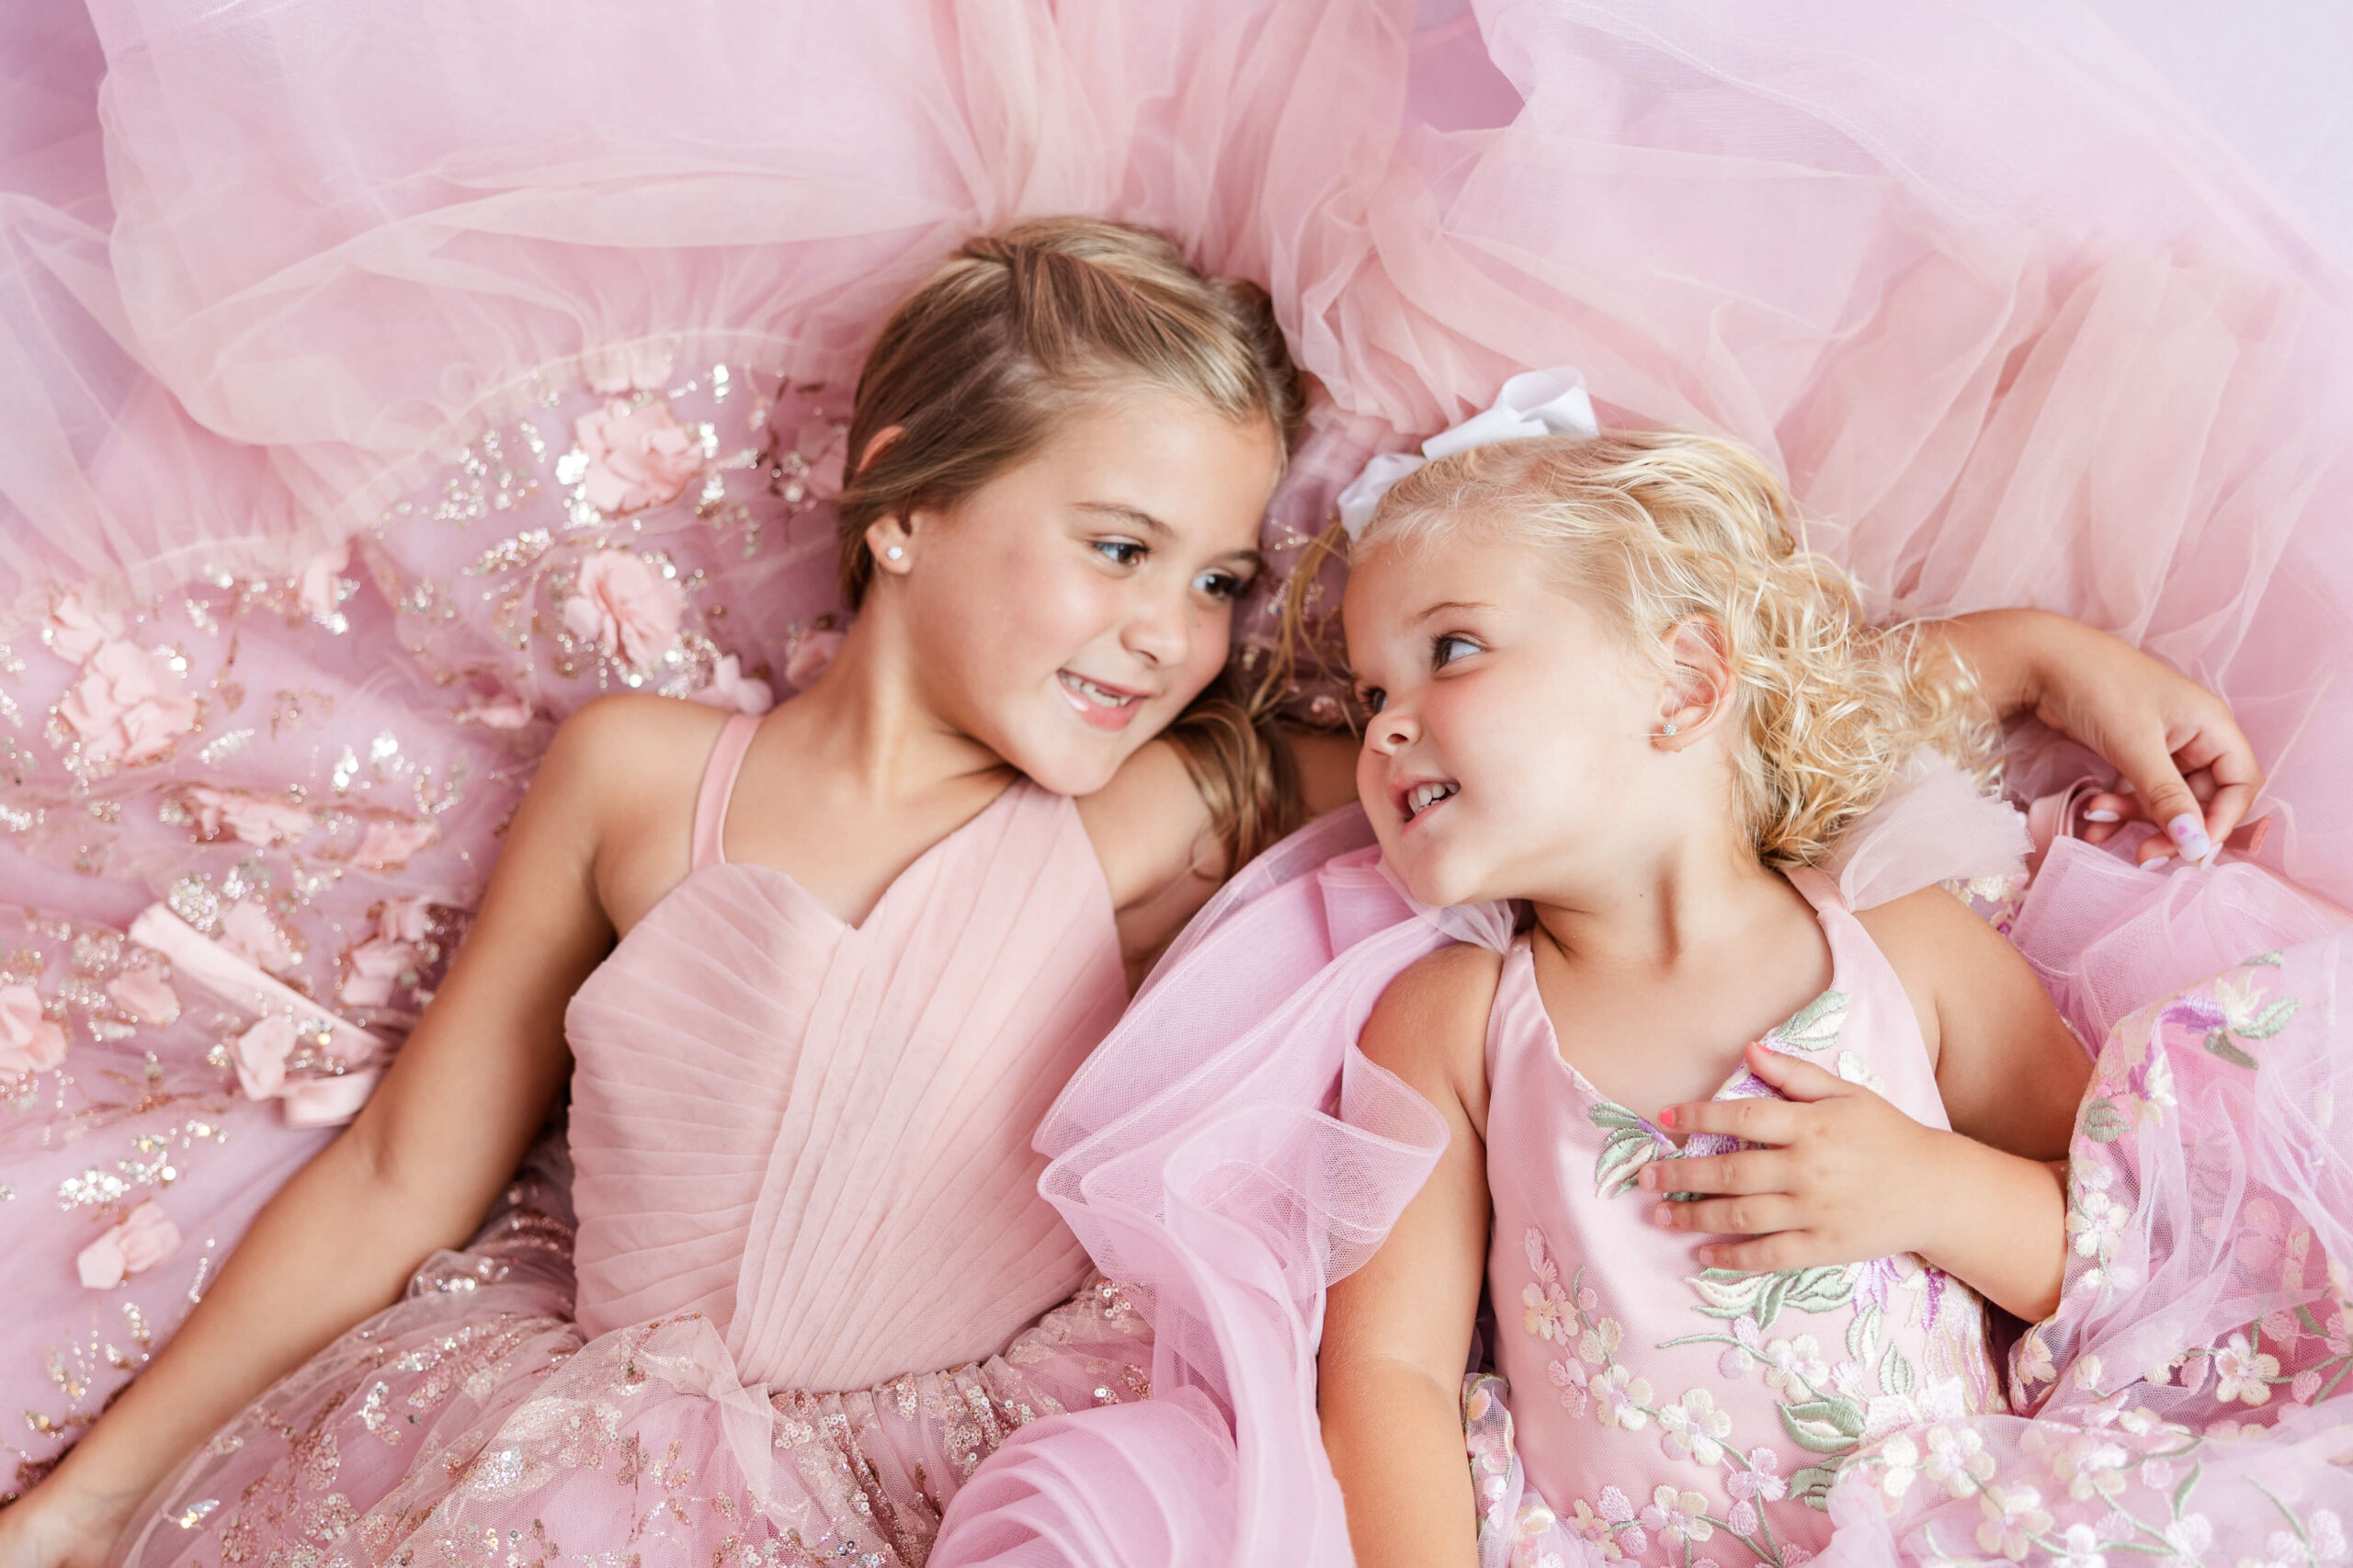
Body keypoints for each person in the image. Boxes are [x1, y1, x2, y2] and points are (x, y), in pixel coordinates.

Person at [0, 216, 2248, 1564]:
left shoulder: (1163, 808)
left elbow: (1625, 749)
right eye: (1113, 548)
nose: (1170, 629)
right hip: (591, 1430)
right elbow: (408, 1163)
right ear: (897, 504)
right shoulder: (634, 781)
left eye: (1211, 577)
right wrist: (105, 1488)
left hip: (944, 1463)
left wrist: (2029, 653)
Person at [1317, 428, 2091, 1566]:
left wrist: (1933, 1190)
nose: (1383, 722)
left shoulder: (1900, 946)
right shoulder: (1451, 1020)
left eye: (1452, 648)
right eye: (1370, 690)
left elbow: (2120, 1245)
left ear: (1683, 685)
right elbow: (1390, 1373)